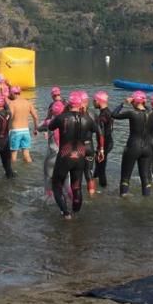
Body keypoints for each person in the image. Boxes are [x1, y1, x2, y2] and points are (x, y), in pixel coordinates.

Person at [48, 91, 103, 219]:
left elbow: (50, 126)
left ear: (68, 104)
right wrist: (101, 150)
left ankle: (66, 213)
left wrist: (62, 113)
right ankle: (76, 214)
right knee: (76, 186)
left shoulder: (62, 117)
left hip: (64, 156)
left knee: (56, 185)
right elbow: (99, 131)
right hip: (80, 156)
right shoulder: (87, 118)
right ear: (80, 105)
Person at [112, 91, 153, 196]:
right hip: (147, 148)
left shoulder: (132, 113)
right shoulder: (151, 113)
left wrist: (123, 103)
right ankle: (146, 199)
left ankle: (124, 197)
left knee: (125, 176)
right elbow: (147, 107)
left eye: (132, 101)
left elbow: (114, 114)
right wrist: (140, 100)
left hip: (133, 147)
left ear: (135, 101)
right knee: (145, 177)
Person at [7, 86, 38, 163]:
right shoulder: (28, 102)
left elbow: (9, 117)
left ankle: (13, 171)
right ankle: (30, 171)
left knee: (13, 154)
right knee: (26, 154)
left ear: (13, 93)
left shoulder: (12, 103)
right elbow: (36, 117)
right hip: (26, 131)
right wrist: (35, 129)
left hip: (15, 131)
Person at [93, 91, 114, 190]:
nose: (93, 103)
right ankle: (94, 182)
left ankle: (104, 189)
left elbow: (101, 133)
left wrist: (101, 148)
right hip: (109, 141)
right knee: (98, 165)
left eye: (94, 101)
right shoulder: (108, 111)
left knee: (101, 168)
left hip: (104, 143)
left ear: (99, 101)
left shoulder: (102, 116)